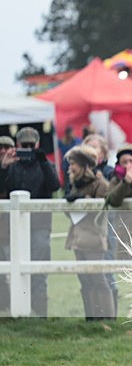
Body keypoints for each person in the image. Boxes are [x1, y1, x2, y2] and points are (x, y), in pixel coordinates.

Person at [0, 127, 61, 317]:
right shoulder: (12, 165)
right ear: (17, 146)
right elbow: (2, 190)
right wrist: (3, 167)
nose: (27, 149)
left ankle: (40, 314)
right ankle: (19, 313)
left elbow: (55, 186)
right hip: (14, 228)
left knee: (39, 273)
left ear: (37, 145)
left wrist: (43, 161)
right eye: (23, 146)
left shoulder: (45, 165)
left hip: (40, 226)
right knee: (16, 271)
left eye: (30, 146)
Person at [63, 145, 115, 320]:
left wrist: (83, 201)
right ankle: (91, 317)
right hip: (78, 237)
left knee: (98, 279)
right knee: (85, 280)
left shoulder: (100, 184)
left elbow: (101, 210)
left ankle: (107, 317)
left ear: (85, 165)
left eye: (74, 164)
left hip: (93, 237)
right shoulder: (74, 184)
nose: (71, 168)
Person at [82, 133, 119, 316]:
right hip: (83, 231)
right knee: (85, 275)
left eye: (94, 147)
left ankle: (110, 318)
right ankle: (92, 319)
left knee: (105, 273)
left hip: (106, 230)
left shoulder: (110, 172)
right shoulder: (77, 173)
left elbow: (111, 197)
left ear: (103, 152)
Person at [0, 136, 15, 311]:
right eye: (0, 147)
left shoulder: (19, 168)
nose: (3, 151)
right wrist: (3, 168)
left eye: (7, 147)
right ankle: (5, 308)